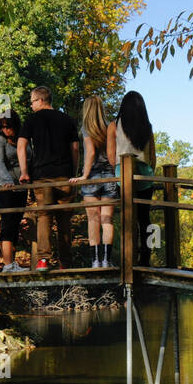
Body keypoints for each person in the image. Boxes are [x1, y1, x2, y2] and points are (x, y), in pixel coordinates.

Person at [18, 86, 80, 270]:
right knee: (64, 219)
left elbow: (21, 146)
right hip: (64, 175)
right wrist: (74, 173)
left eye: (32, 102)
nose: (31, 106)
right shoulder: (67, 119)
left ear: (40, 100)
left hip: (42, 175)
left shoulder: (32, 120)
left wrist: (24, 172)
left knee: (44, 216)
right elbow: (75, 148)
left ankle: (43, 260)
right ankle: (65, 263)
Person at [115, 90, 157, 267]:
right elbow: (152, 157)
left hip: (121, 175)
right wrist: (149, 172)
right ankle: (147, 255)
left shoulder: (114, 125)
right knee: (145, 218)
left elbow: (112, 156)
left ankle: (128, 256)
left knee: (127, 217)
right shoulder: (147, 126)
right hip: (144, 175)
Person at [79, 96, 118, 268]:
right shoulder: (109, 126)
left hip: (92, 176)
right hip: (109, 176)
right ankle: (107, 260)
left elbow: (90, 153)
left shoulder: (86, 128)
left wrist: (84, 175)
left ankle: (95, 261)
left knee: (93, 219)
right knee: (107, 220)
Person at [0, 114, 29, 272]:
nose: (5, 130)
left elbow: (29, 158)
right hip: (2, 185)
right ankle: (7, 265)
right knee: (8, 222)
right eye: (2, 127)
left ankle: (12, 263)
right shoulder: (0, 141)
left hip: (20, 186)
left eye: (8, 126)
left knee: (15, 223)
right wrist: (9, 182)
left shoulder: (23, 139)